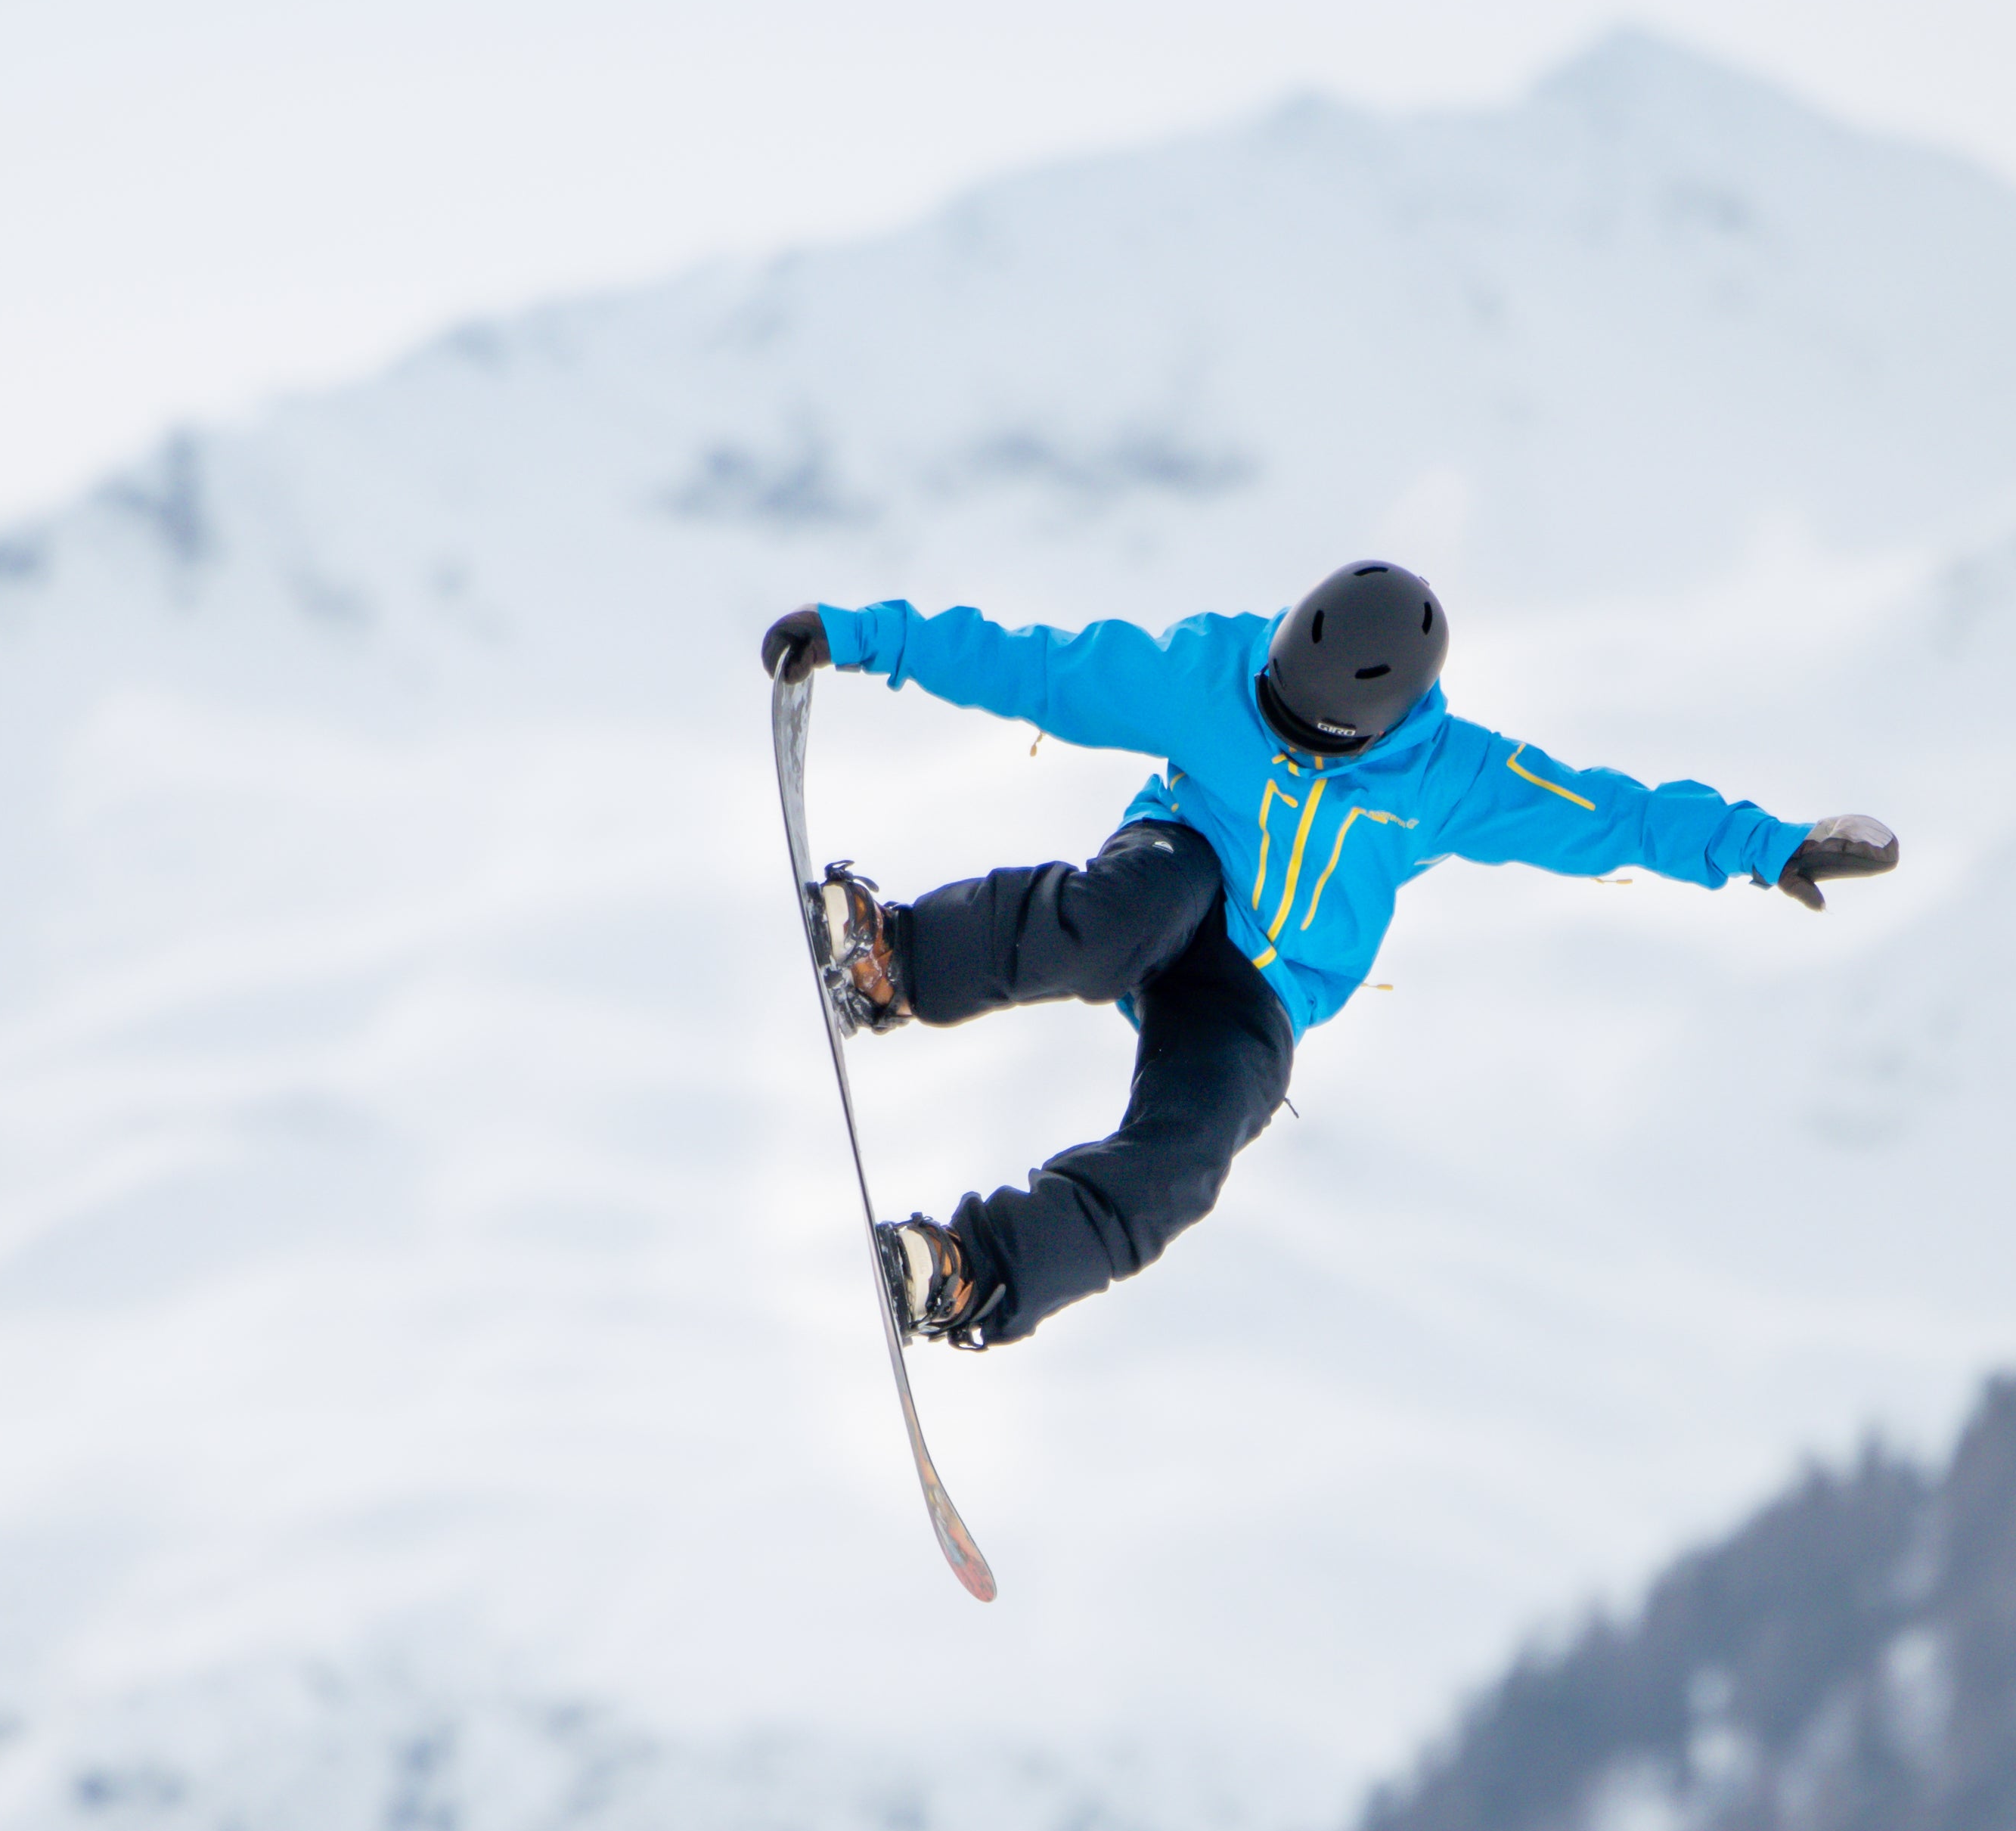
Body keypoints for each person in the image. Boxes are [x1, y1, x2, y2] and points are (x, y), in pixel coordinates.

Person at [765, 562, 1894, 1348]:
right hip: (1182, 863)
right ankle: (894, 959)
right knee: (1110, 921)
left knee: (1188, 1159)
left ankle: (972, 1274)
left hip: (1268, 987)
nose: (1284, 740)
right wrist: (865, 638)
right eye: (1276, 716)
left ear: (1385, 728)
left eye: (1314, 742)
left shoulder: (1454, 778)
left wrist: (1770, 847)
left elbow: (1619, 814)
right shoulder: (1212, 675)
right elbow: (1040, 669)